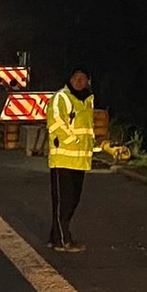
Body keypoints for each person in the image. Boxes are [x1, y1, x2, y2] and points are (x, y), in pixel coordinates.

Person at [47, 69, 95, 252]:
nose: (80, 81)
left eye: (83, 78)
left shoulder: (87, 100)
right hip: (63, 159)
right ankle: (62, 240)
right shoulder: (62, 98)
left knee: (73, 201)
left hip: (80, 160)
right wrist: (72, 142)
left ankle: (55, 236)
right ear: (69, 79)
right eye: (76, 78)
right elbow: (56, 122)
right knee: (63, 202)